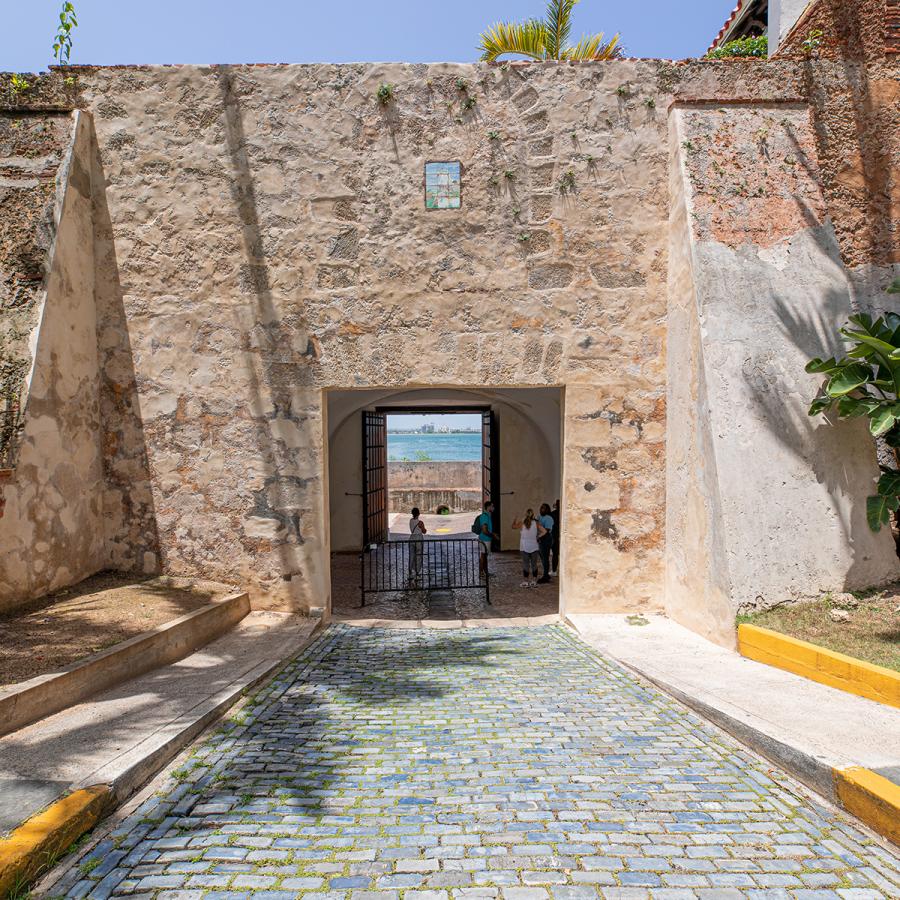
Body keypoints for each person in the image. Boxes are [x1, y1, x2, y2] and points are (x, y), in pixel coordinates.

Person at [512, 509, 547, 588]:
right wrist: (538, 536)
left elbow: (513, 527)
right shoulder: (536, 523)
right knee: (534, 564)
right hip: (534, 546)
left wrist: (515, 519)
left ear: (526, 514)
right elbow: (544, 531)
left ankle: (525, 581)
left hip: (524, 546)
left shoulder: (522, 523)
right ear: (533, 515)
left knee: (525, 564)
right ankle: (534, 581)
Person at [476, 501, 498, 576]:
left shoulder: (487, 516)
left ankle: (485, 572)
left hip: (486, 539)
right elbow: (484, 530)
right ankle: (481, 572)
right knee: (483, 556)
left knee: (484, 556)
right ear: (488, 507)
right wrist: (493, 535)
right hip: (484, 539)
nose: (493, 508)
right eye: (492, 506)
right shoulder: (485, 516)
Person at [537, 502, 554, 583]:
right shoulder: (539, 517)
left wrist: (537, 537)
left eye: (543, 508)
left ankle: (545, 576)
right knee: (542, 558)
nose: (541, 509)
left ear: (547, 510)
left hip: (546, 539)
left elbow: (546, 531)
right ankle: (546, 574)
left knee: (545, 558)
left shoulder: (549, 518)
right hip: (540, 539)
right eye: (540, 507)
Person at [408, 507, 426, 581]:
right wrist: (423, 528)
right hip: (418, 538)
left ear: (412, 514)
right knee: (418, 556)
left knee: (411, 556)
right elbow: (424, 531)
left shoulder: (411, 521)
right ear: (418, 514)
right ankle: (417, 573)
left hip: (411, 538)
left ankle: (410, 573)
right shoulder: (420, 522)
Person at [550, 498, 561, 575]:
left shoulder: (552, 514)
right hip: (560, 535)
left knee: (555, 554)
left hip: (554, 535)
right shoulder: (564, 513)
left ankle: (554, 571)